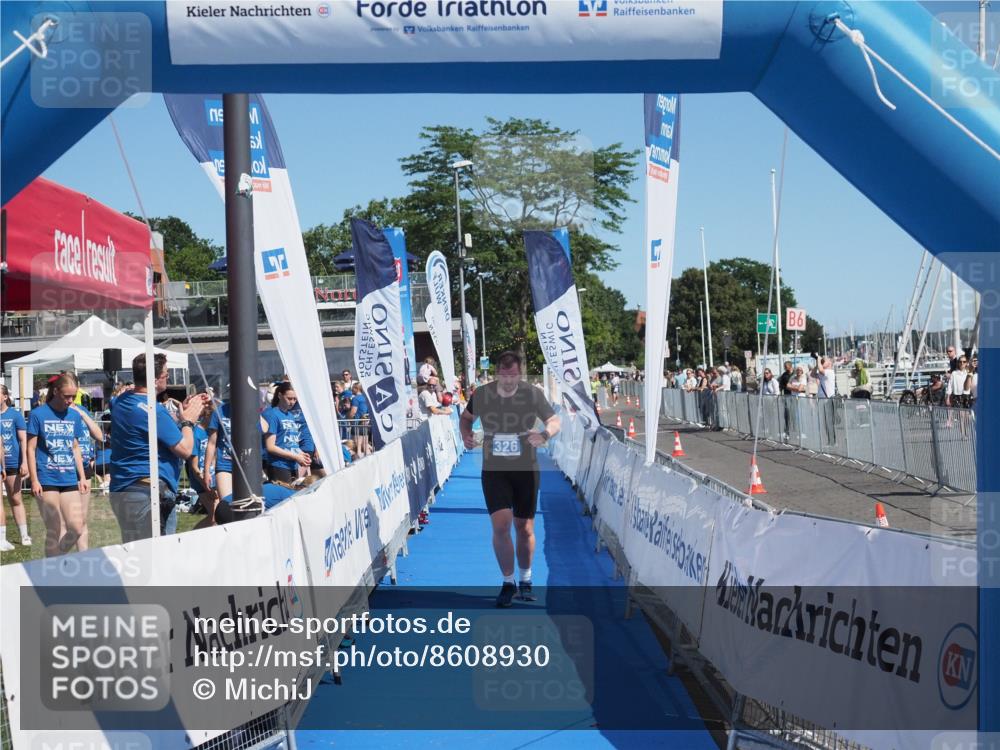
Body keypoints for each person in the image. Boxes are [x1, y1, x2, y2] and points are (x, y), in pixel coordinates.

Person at [459, 351, 560, 608]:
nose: (508, 380)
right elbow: (466, 418)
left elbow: (553, 420)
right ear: (497, 374)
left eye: (513, 375)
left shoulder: (532, 394)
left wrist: (544, 435)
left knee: (524, 527)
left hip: (526, 469)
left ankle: (526, 579)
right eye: (504, 376)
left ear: (520, 374)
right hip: (494, 470)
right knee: (501, 525)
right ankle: (508, 582)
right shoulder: (482, 394)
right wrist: (465, 435)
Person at [110, 353, 207, 542]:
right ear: (155, 380)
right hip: (148, 492)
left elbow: (147, 426)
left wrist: (178, 415)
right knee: (155, 554)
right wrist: (188, 421)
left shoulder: (120, 402)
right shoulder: (154, 411)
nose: (168, 378)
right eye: (166, 375)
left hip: (125, 489)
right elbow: (185, 450)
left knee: (136, 552)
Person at [26, 372, 89, 557]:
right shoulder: (38, 414)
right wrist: (34, 480)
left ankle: (55, 559)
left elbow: (75, 447)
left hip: (68, 477)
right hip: (46, 477)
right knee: (54, 529)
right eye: (66, 396)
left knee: (77, 527)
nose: (70, 400)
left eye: (73, 396)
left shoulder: (74, 416)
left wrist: (82, 476)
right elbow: (30, 449)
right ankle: (54, 567)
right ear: (56, 391)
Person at [1, 385, 31, 550]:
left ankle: (24, 535)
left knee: (15, 499)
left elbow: (23, 440)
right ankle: (2, 538)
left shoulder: (15, 415)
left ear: (5, 397)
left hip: (13, 461)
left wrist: (24, 462)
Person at [263, 382, 312, 482]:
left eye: (295, 399)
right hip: (278, 465)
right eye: (289, 398)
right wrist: (296, 457)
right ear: (280, 395)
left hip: (292, 465)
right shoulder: (272, 414)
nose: (292, 402)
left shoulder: (290, 415)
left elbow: (291, 443)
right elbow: (270, 447)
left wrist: (302, 455)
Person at [349, 382, 371, 455]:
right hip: (365, 423)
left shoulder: (355, 399)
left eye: (352, 388)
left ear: (356, 389)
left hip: (357, 424)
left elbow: (353, 412)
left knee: (357, 448)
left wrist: (349, 419)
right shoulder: (366, 398)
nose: (351, 390)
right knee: (365, 446)